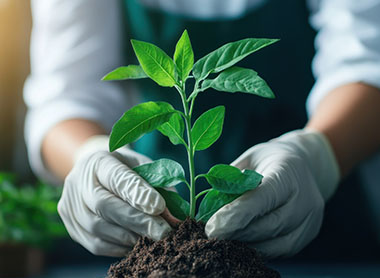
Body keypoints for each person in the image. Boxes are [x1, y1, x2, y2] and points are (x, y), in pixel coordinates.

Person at [24, 0, 380, 259]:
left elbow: (367, 60)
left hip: (315, 222)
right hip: (152, 220)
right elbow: (66, 95)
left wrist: (316, 156)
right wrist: (89, 157)